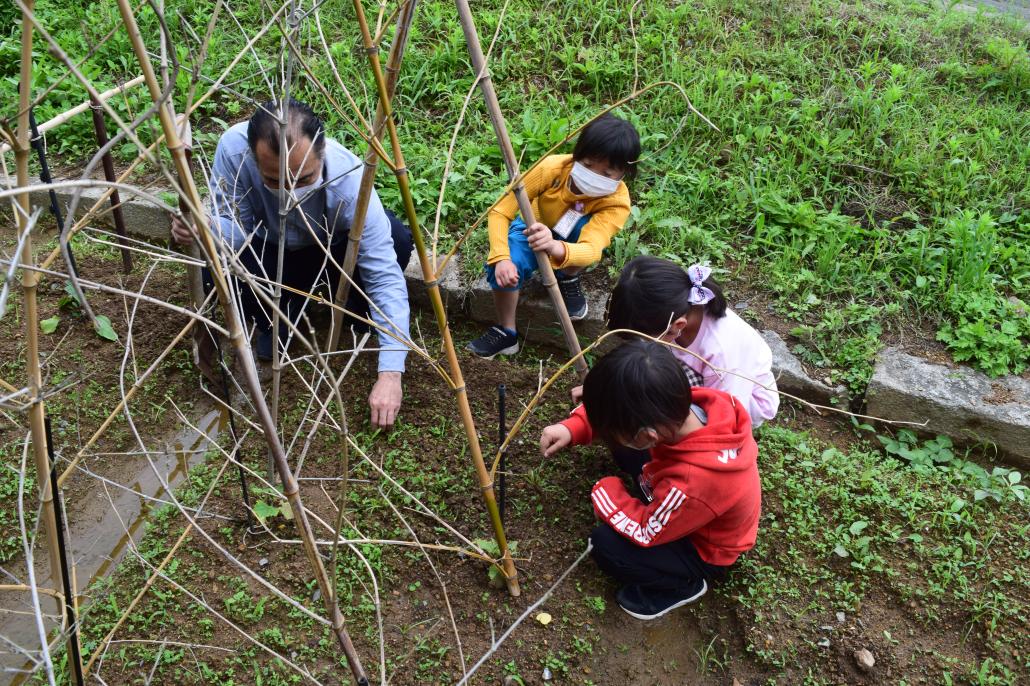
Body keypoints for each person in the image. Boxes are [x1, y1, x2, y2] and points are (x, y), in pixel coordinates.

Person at [171, 99, 413, 429]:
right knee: (220, 273)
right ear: (255, 159)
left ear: (322, 152)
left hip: (330, 251)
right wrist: (206, 228)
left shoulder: (350, 179)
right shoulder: (234, 151)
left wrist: (390, 374)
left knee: (397, 237)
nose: (290, 196)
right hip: (269, 250)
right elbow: (235, 230)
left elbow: (384, 276)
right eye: (275, 181)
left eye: (303, 179)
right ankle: (279, 314)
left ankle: (353, 308)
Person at [539, 340, 761, 620]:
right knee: (627, 450)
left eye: (612, 431)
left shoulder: (692, 482)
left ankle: (682, 586)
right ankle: (648, 487)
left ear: (648, 436)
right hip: (691, 500)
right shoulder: (683, 403)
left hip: (703, 548)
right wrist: (574, 427)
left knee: (605, 545)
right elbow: (622, 402)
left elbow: (646, 531)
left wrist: (607, 492)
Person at [467, 113, 641, 359]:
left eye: (608, 174)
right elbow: (500, 210)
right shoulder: (552, 168)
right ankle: (507, 331)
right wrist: (502, 257)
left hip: (568, 242)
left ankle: (567, 275)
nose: (594, 176)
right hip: (532, 228)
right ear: (577, 155)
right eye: (589, 165)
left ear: (624, 174)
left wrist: (555, 247)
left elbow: (592, 249)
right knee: (505, 268)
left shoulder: (617, 203)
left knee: (582, 232)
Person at [603, 256, 779, 428]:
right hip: (698, 378)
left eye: (643, 337)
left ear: (677, 325)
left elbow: (726, 415)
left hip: (739, 401)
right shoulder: (677, 313)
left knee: (654, 413)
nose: (640, 342)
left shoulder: (721, 351)